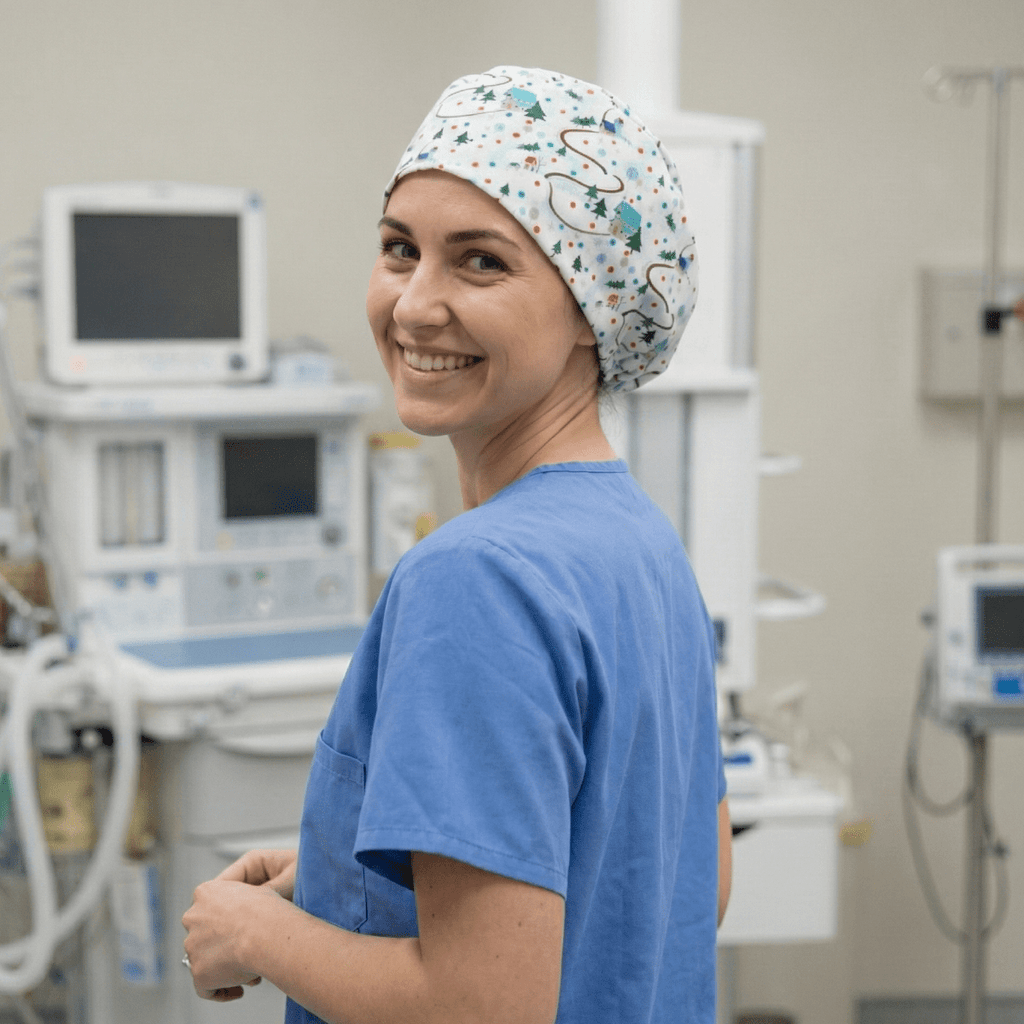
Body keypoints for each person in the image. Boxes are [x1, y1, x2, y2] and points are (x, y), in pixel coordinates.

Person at [182, 65, 732, 1024]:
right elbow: (683, 879)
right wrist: (343, 877)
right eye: (400, 249)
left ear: (591, 309)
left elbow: (484, 1008)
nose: (413, 306)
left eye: (481, 262)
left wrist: (251, 933)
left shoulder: (477, 577)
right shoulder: (639, 542)